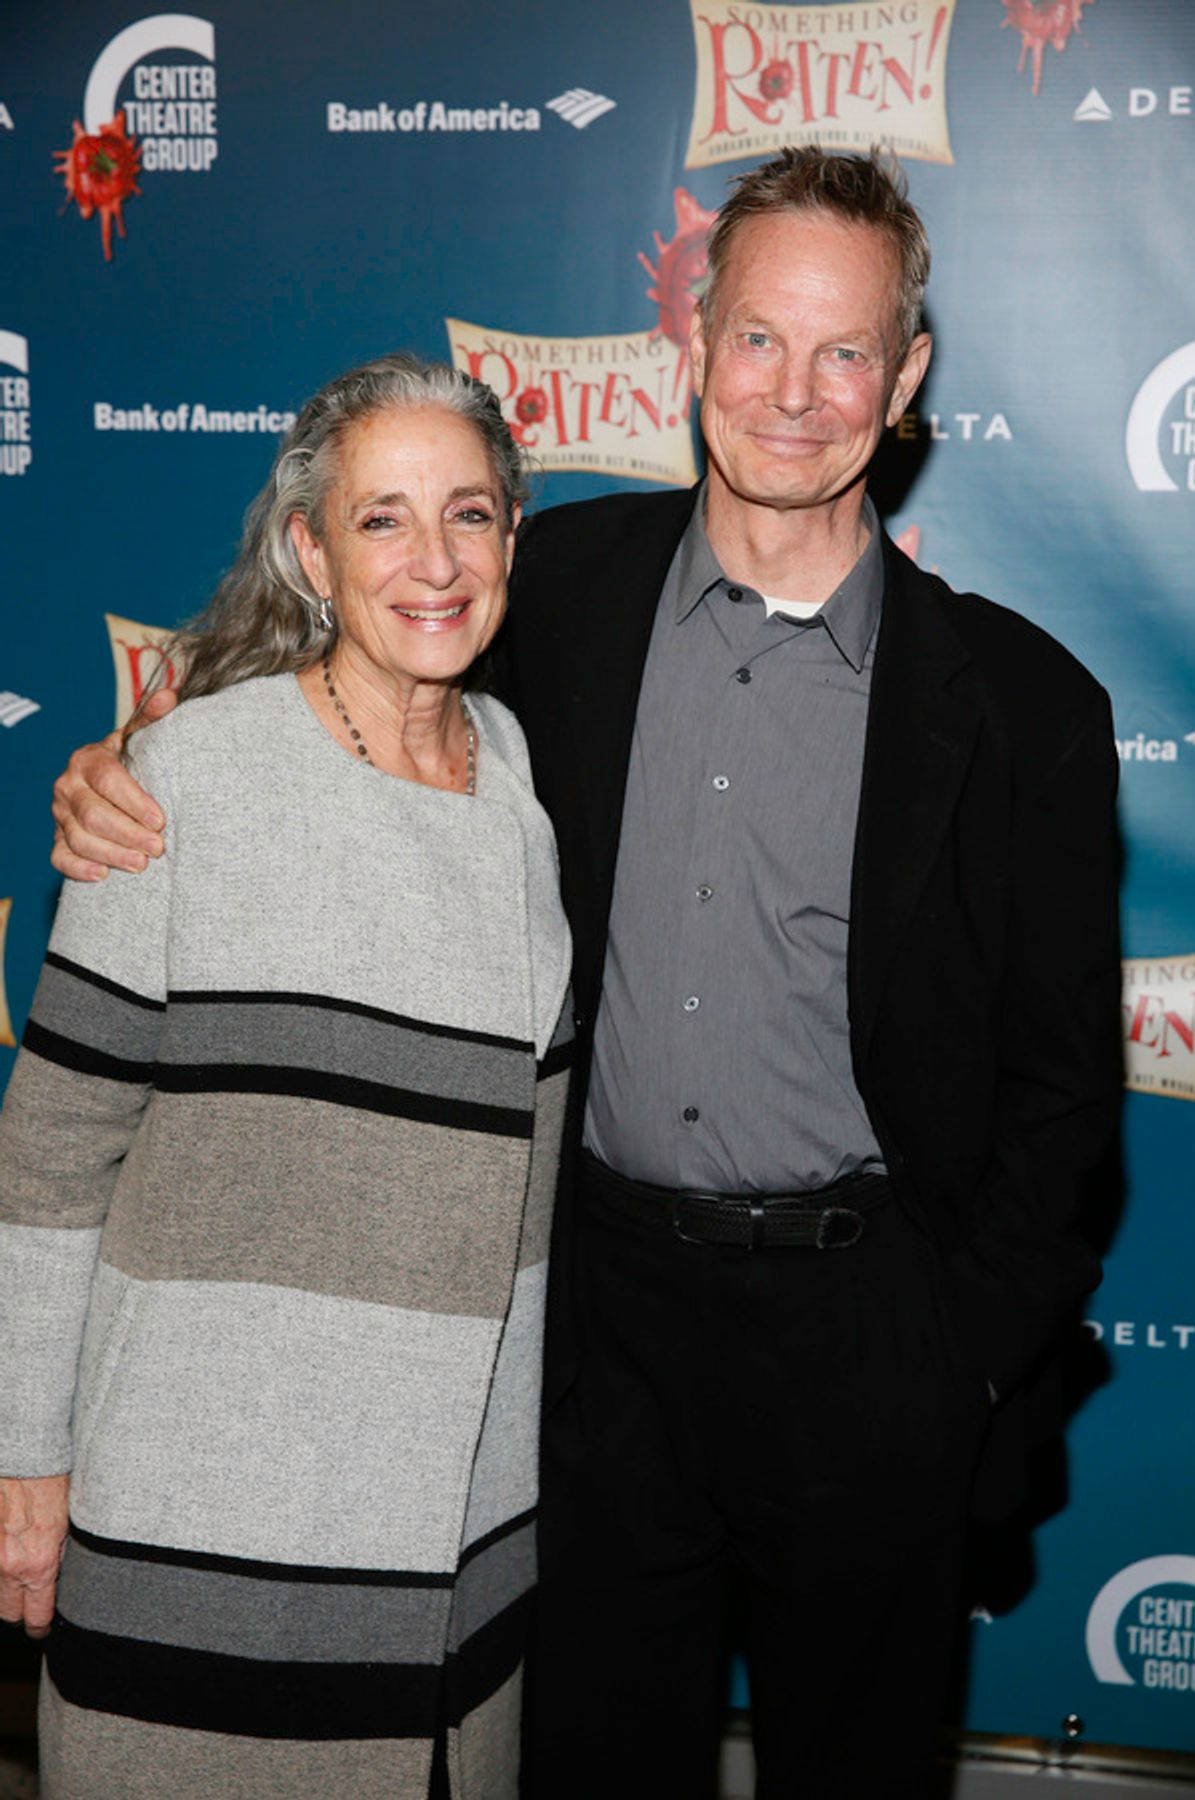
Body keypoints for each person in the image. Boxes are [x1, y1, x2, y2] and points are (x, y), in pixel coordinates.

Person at [47, 151, 1121, 1798]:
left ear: (903, 383)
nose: (795, 393)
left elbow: (1064, 1107)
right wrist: (133, 766)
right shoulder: (555, 595)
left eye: (846, 354)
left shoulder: (1032, 709)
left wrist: (951, 1366)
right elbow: (350, 641)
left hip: (872, 1342)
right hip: (593, 1341)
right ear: (695, 343)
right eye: (761, 339)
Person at [0, 352, 572, 1800]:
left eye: (469, 514)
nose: (434, 563)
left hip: (457, 1549)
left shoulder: (519, 778)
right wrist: (24, 1458)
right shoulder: (186, 782)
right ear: (311, 549)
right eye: (382, 521)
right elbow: (55, 1149)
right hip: (206, 1528)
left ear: (515, 528)